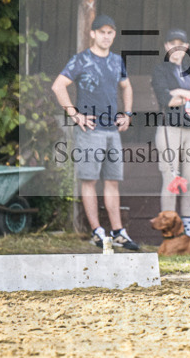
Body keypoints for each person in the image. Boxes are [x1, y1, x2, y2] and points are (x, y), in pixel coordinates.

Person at [51, 14, 140, 251]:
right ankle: (97, 231)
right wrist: (75, 115)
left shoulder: (117, 61)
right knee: (89, 180)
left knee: (112, 181)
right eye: (102, 32)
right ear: (93, 34)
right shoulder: (81, 60)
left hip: (113, 130)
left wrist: (128, 114)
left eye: (110, 32)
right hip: (90, 130)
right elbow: (58, 86)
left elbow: (126, 86)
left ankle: (118, 232)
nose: (106, 36)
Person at [151, 28, 190, 237]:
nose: (176, 49)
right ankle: (169, 230)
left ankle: (186, 230)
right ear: (166, 47)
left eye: (181, 45)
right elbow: (167, 99)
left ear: (186, 48)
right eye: (171, 44)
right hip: (170, 128)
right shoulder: (160, 70)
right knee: (170, 179)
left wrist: (181, 93)